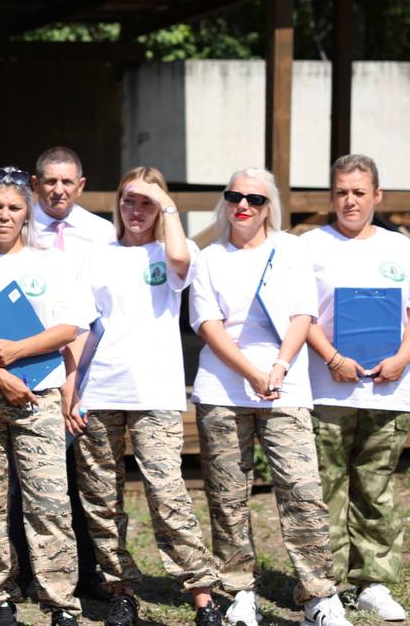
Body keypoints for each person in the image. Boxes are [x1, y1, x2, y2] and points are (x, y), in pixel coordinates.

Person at [188, 168, 350, 626]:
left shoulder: (291, 249)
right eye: (234, 196)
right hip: (223, 387)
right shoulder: (209, 256)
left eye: (255, 199)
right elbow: (208, 326)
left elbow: (303, 313)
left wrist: (276, 368)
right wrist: (252, 372)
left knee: (302, 490)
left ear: (269, 206)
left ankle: (319, 595)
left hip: (286, 386)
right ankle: (239, 590)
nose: (243, 205)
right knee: (227, 495)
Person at [63, 167, 222, 626]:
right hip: (102, 389)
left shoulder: (176, 250)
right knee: (101, 498)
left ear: (162, 207)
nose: (136, 211)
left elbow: (180, 259)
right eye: (129, 201)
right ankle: (121, 590)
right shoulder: (98, 256)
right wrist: (71, 391)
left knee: (167, 492)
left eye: (147, 203)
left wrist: (165, 202)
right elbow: (79, 328)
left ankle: (202, 594)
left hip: (155, 391)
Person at [0, 167, 92, 626]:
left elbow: (71, 326)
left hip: (40, 394)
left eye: (13, 208)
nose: (4, 216)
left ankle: (60, 602)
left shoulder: (52, 262)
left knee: (48, 502)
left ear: (27, 213)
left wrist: (20, 352)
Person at [302, 154, 410, 621]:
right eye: (342, 192)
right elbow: (298, 317)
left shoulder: (401, 248)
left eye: (359, 192)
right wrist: (333, 358)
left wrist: (402, 359)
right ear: (331, 196)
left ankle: (374, 584)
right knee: (321, 490)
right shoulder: (308, 247)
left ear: (377, 196)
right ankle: (322, 585)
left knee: (377, 489)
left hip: (390, 389)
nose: (350, 200)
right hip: (327, 389)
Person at [18, 145, 114, 600]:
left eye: (67, 181)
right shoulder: (17, 223)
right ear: (35, 185)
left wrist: (78, 380)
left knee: (85, 476)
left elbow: (104, 306)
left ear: (81, 186)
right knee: (29, 473)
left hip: (89, 363)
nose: (58, 189)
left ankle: (89, 569)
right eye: (49, 181)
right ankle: (27, 569)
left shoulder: (102, 233)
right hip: (30, 358)